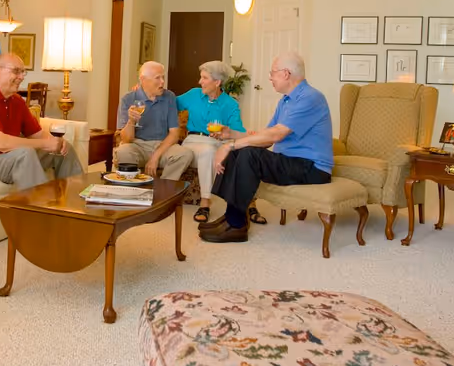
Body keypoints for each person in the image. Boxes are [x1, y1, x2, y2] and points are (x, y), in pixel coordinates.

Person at [200, 52, 334, 243]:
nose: (270, 77)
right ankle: (231, 218)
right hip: (292, 163)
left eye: (273, 73)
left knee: (248, 154)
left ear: (286, 74)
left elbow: (276, 135)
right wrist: (231, 134)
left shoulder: (310, 98)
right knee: (242, 151)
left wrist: (229, 145)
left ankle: (236, 225)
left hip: (312, 168)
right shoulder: (286, 100)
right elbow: (265, 136)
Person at [0, 53, 83, 190]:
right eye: (16, 71)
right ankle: (39, 209)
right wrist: (44, 143)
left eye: (23, 72)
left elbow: (37, 134)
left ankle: (76, 202)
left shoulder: (17, 101)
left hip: (8, 158)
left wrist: (55, 142)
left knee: (63, 150)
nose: (21, 77)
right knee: (25, 154)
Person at [175, 60, 246, 225]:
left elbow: (239, 132)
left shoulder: (230, 104)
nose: (200, 82)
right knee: (208, 150)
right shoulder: (194, 94)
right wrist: (143, 91)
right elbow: (170, 102)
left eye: (204, 78)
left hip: (218, 143)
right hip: (193, 141)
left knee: (237, 153)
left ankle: (247, 204)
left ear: (217, 82)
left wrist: (225, 130)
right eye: (201, 77)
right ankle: (205, 202)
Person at [115, 61, 194, 180]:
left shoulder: (169, 97)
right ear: (143, 80)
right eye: (158, 78)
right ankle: (133, 190)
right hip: (137, 145)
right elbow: (126, 139)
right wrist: (131, 121)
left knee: (185, 154)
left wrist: (155, 157)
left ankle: (164, 190)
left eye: (163, 77)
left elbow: (174, 133)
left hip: (162, 146)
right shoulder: (128, 99)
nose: (162, 82)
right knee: (123, 152)